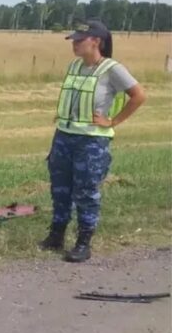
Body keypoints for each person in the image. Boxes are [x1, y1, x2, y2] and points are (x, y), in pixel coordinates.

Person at [39, 19, 147, 263]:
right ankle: (56, 235)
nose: (74, 44)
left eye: (80, 40)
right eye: (73, 40)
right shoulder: (75, 66)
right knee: (60, 188)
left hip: (91, 142)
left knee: (86, 191)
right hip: (64, 136)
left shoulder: (111, 69)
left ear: (96, 41)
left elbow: (138, 95)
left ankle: (83, 242)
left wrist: (113, 121)